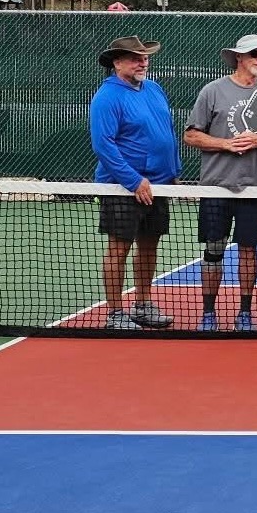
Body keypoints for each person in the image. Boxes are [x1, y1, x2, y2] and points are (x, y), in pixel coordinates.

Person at [183, 34, 257, 332]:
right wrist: (226, 144)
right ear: (238, 58)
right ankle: (209, 313)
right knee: (214, 249)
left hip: (255, 187)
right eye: (255, 54)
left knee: (248, 250)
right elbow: (190, 135)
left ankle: (244, 312)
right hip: (216, 186)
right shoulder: (213, 91)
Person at [88, 35, 180, 330]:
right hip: (122, 188)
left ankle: (142, 305)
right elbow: (104, 145)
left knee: (149, 245)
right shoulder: (107, 96)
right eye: (135, 58)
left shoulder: (154, 89)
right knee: (119, 248)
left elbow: (165, 131)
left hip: (158, 185)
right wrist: (133, 180)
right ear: (117, 63)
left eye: (145, 57)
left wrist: (173, 171)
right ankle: (115, 314)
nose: (143, 62)